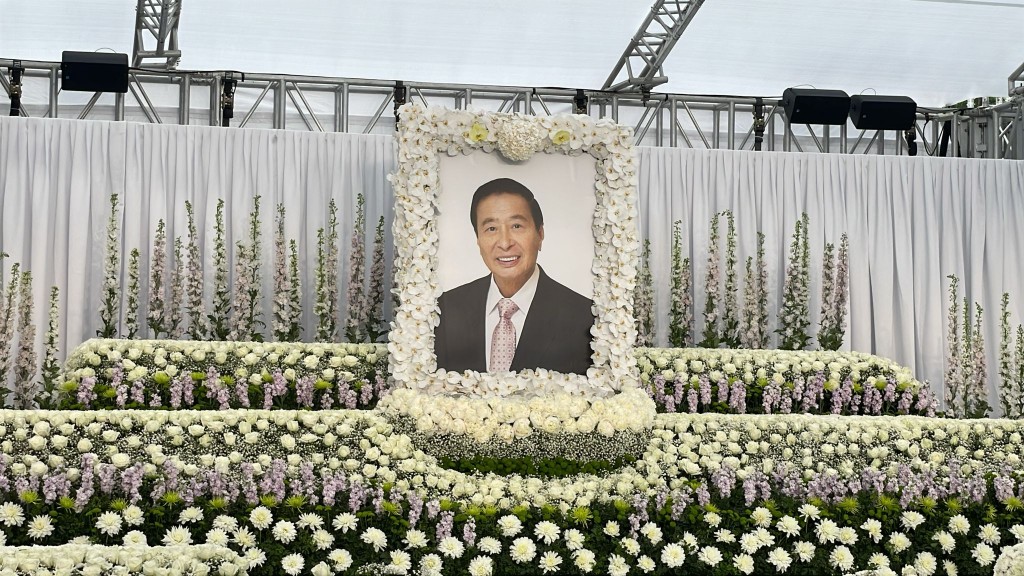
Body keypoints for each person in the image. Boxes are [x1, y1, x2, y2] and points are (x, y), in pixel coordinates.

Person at [434, 178, 595, 375]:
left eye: (516, 226)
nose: (505, 243)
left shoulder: (585, 318)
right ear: (478, 239)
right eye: (491, 229)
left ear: (540, 234)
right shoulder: (443, 311)